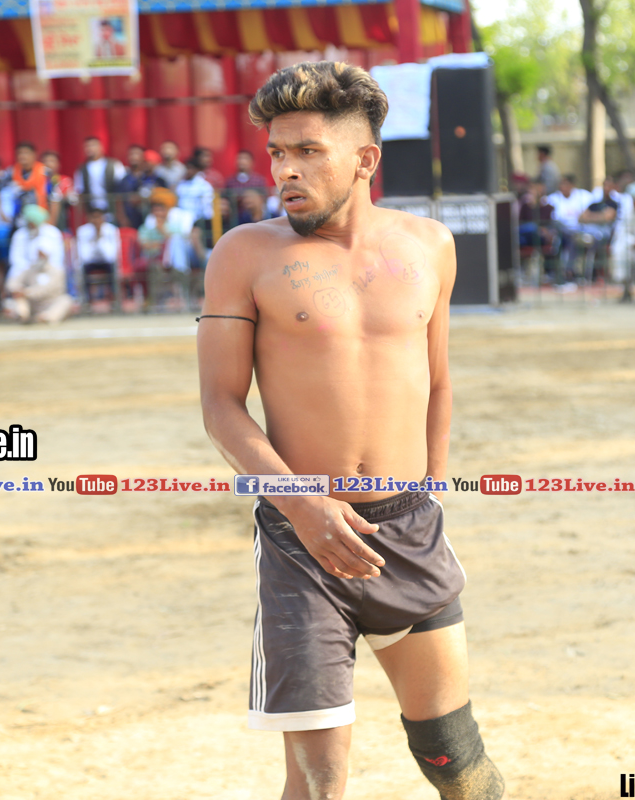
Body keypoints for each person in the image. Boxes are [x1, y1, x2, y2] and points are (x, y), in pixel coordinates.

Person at [197, 60, 503, 800]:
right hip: (302, 543)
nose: (285, 170)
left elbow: (438, 378)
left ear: (365, 159)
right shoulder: (243, 254)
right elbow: (221, 406)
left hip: (408, 530)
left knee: (456, 763)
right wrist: (303, 504)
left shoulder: (431, 245)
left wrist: (430, 488)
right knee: (318, 784)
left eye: (308, 151)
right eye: (277, 152)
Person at [5, 204, 71, 323]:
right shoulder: (28, 270)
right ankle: (23, 315)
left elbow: (47, 289)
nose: (41, 256)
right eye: (39, 254)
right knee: (18, 300)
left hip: (49, 302)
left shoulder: (56, 271)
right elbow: (14, 278)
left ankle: (45, 317)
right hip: (31, 302)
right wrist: (16, 289)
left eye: (42, 254)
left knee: (66, 301)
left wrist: (26, 292)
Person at [545, 174, 592, 282]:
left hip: (580, 231)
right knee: (561, 236)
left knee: (574, 238)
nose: (562, 187)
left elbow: (590, 213)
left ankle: (568, 272)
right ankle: (560, 272)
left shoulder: (583, 196)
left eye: (565, 184)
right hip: (559, 231)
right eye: (561, 184)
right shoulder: (553, 198)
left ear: (572, 185)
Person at [75, 201, 121, 305]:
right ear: (89, 218)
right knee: (82, 269)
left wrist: (100, 237)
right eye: (93, 217)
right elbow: (84, 257)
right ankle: (87, 301)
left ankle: (114, 300)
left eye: (98, 217)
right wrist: (95, 237)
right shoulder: (82, 231)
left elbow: (111, 256)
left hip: (106, 262)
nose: (96, 220)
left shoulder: (111, 230)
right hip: (90, 263)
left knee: (113, 268)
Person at [74, 136, 126, 212]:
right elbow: (79, 192)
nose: (90, 148)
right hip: (92, 212)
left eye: (93, 145)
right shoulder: (81, 169)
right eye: (87, 146)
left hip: (112, 211)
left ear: (101, 147)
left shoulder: (114, 164)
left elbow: (122, 189)